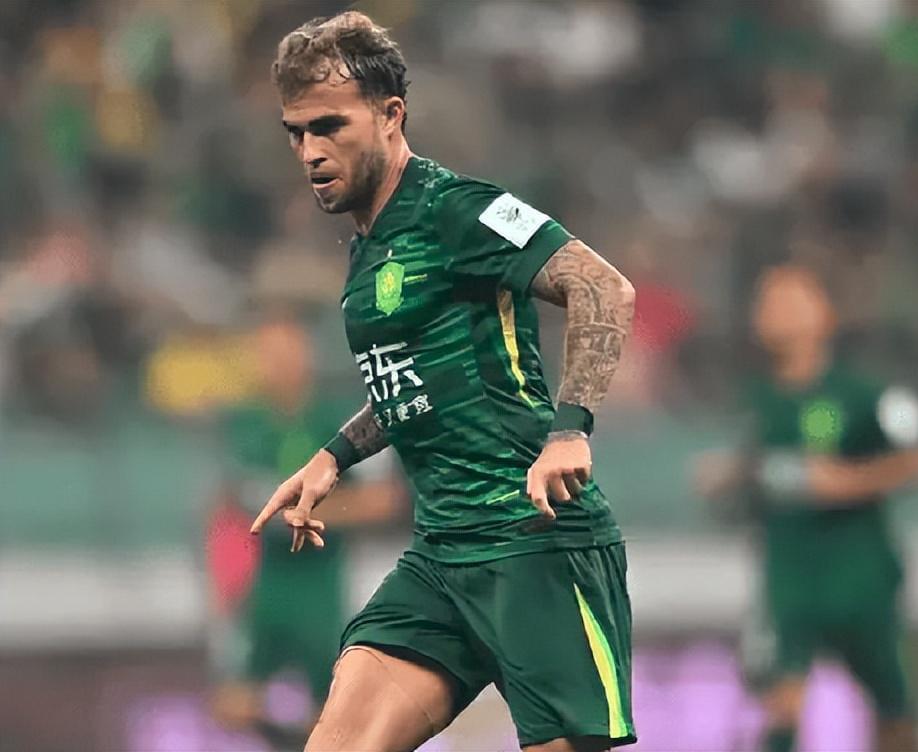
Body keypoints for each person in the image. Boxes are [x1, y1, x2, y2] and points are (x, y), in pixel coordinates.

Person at [248, 12, 637, 752]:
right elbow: (421, 380)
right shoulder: (369, 244)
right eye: (296, 133)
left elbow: (602, 288)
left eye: (329, 126)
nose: (311, 151)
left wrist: (570, 431)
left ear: (391, 115)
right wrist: (335, 455)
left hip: (533, 544)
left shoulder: (461, 208)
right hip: (441, 557)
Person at [696, 265, 918, 752]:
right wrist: (730, 476)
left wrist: (850, 481)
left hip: (861, 574)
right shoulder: (754, 400)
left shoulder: (865, 394)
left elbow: (915, 461)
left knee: (894, 710)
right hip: (789, 577)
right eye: (767, 302)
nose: (777, 312)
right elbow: (753, 469)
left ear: (826, 313)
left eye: (792, 299)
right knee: (782, 703)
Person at [206, 311, 404, 748]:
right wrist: (221, 582)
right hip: (265, 582)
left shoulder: (339, 422)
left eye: (288, 349)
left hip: (325, 582)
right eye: (268, 352)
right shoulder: (244, 425)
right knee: (234, 703)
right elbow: (230, 505)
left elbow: (384, 500)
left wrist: (312, 511)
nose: (278, 361)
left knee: (335, 709)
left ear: (307, 353)